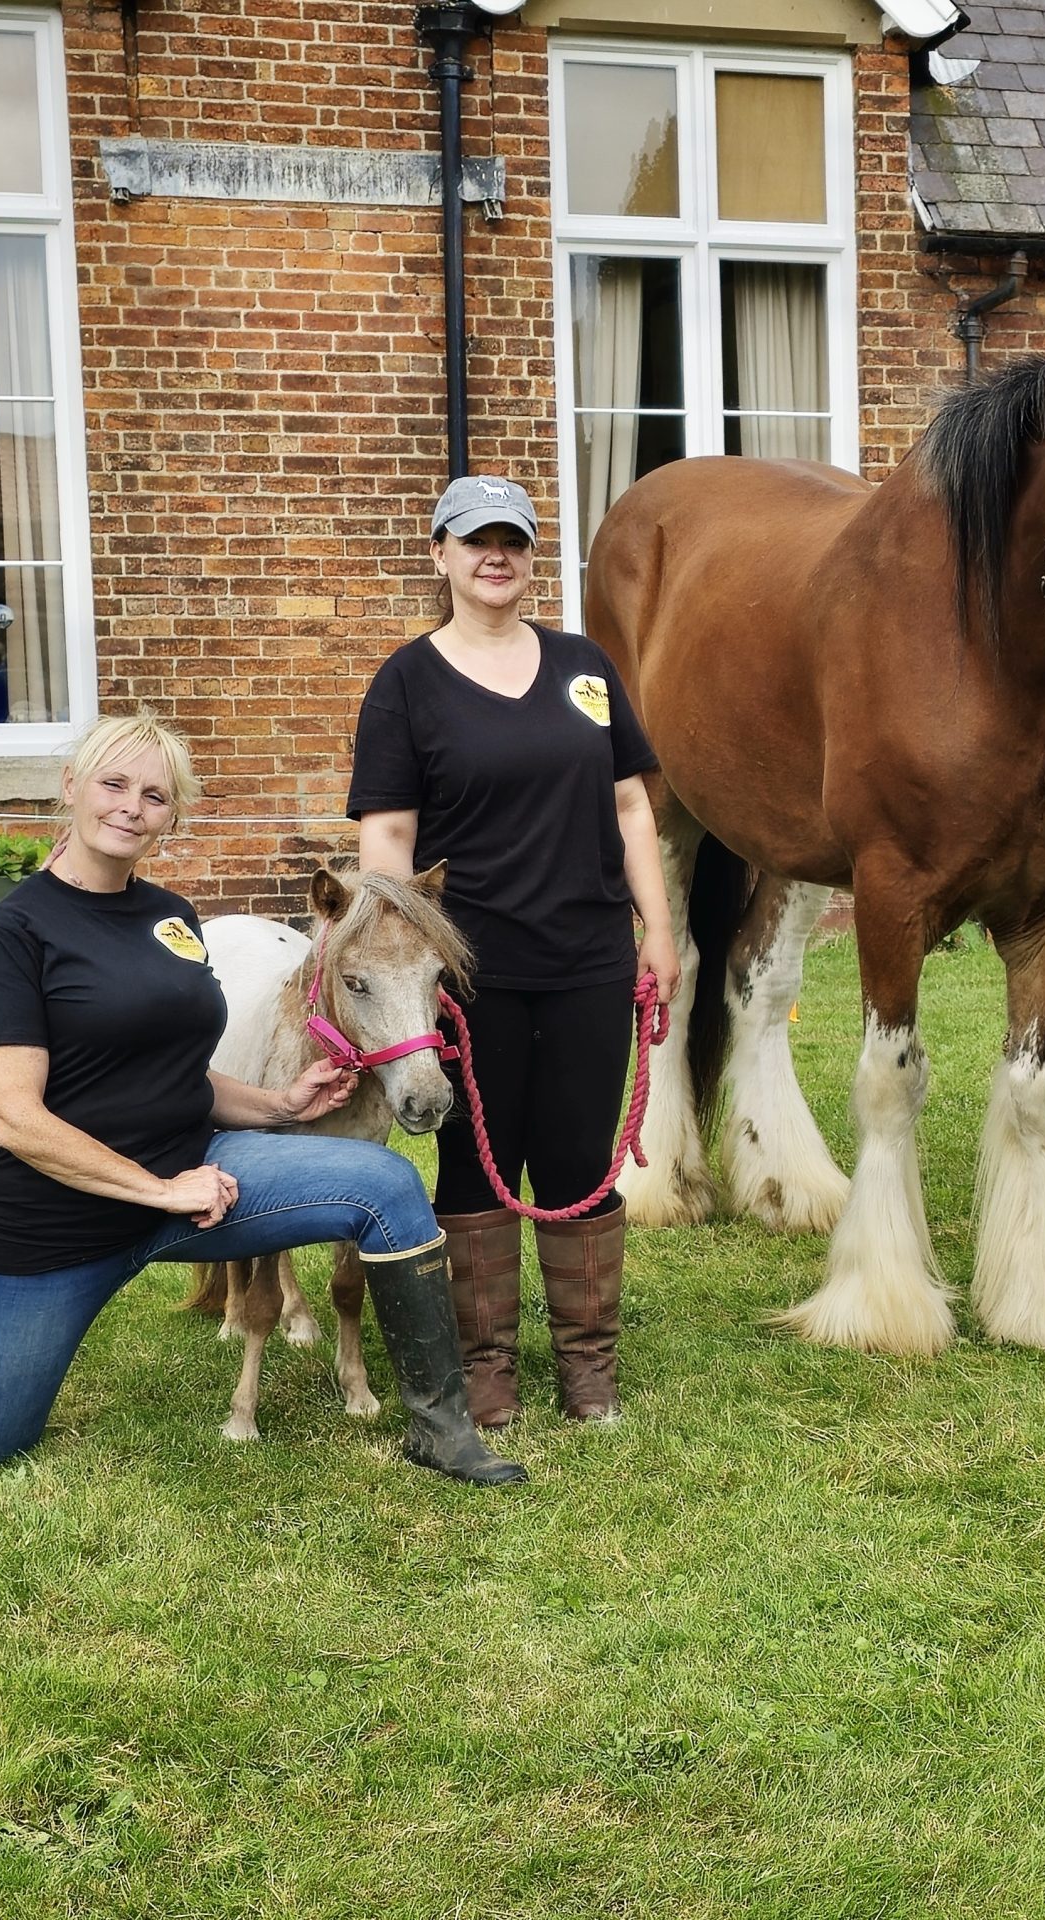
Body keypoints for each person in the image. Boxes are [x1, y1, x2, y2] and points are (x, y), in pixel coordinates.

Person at [0, 714, 523, 1484]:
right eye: (114, 784)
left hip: (207, 1183)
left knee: (386, 1183)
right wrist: (160, 1188)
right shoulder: (15, 932)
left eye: (154, 795)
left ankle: (443, 1431)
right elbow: (14, 1119)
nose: (131, 806)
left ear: (172, 815)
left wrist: (282, 1106)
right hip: (58, 1222)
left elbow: (178, 1076)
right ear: (72, 788)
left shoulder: (173, 920)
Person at [350, 474, 678, 1428]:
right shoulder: (406, 682)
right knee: (468, 1164)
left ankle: (588, 1366)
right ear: (440, 554)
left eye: (515, 541)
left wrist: (655, 930)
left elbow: (629, 807)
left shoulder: (584, 666)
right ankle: (486, 1364)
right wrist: (405, 965)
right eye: (475, 539)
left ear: (533, 558)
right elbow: (388, 845)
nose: (497, 555)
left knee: (580, 1161)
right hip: (464, 978)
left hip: (587, 957)